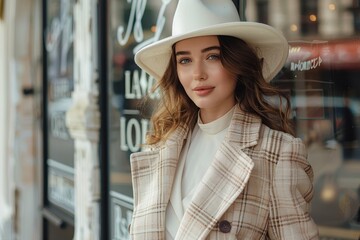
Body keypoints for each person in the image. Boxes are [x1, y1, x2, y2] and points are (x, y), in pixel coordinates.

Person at [129, 0, 319, 239]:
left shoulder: (277, 153)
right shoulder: (163, 146)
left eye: (212, 57)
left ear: (237, 63)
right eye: (185, 60)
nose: (198, 74)